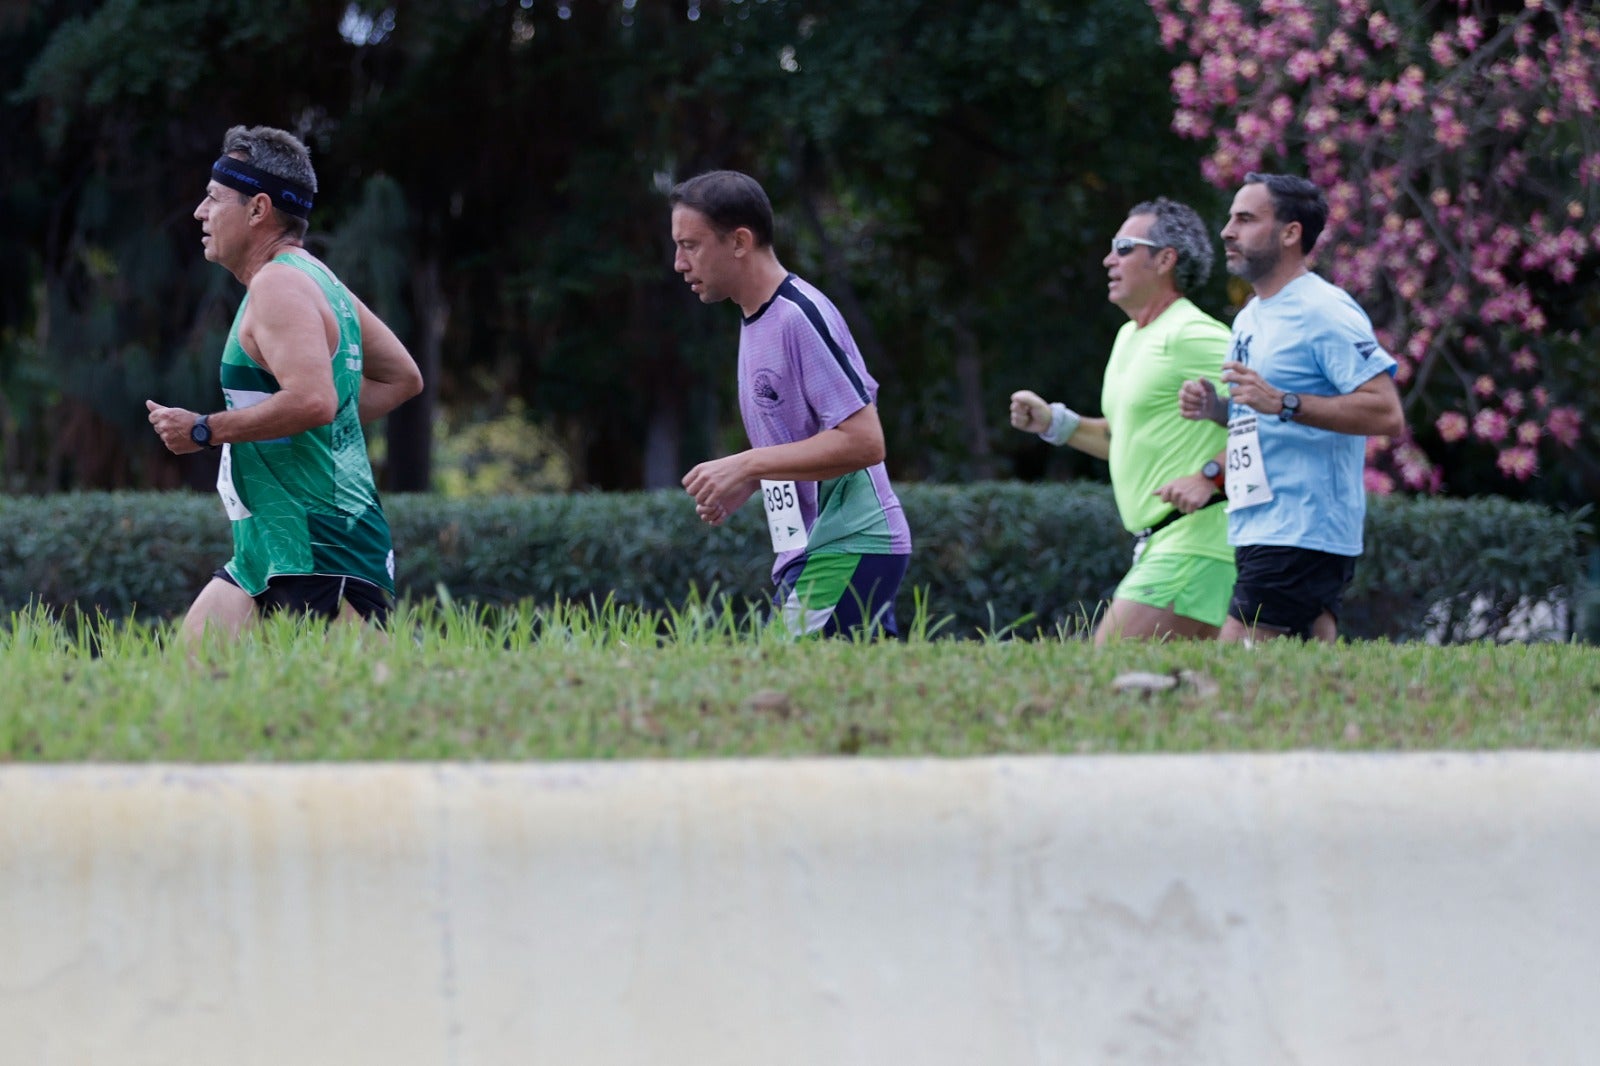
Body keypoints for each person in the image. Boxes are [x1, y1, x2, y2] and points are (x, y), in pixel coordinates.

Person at [147, 125, 424, 644]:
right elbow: (400, 378)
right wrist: (303, 424)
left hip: (319, 546)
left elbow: (315, 401)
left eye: (212, 199)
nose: (199, 214)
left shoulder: (279, 284)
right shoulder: (318, 279)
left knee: (360, 715)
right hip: (265, 549)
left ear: (257, 210)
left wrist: (206, 430)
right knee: (184, 694)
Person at [670, 170, 912, 638]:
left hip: (849, 544)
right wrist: (755, 477)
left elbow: (865, 441)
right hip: (819, 550)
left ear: (739, 241)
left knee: (773, 675)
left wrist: (747, 463)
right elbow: (809, 443)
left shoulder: (798, 316)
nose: (679, 263)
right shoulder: (755, 320)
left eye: (690, 245)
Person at [1177, 172, 1403, 643]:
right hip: (1259, 521)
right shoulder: (1250, 317)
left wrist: (1284, 402)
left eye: (1245, 219)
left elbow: (1385, 413)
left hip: (1301, 525)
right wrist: (1218, 408)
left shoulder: (1324, 310)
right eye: (1230, 218)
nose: (1227, 231)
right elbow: (1260, 412)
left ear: (1290, 232)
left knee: (1237, 667)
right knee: (1303, 673)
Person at [1009, 198, 1234, 644]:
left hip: (1198, 541)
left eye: (1124, 247)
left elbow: (1272, 422)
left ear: (1165, 259)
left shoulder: (1195, 334)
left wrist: (1211, 476)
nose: (1108, 259)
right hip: (1165, 542)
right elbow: (1123, 438)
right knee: (1175, 699)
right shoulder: (1129, 336)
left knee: (1108, 667)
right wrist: (1054, 422)